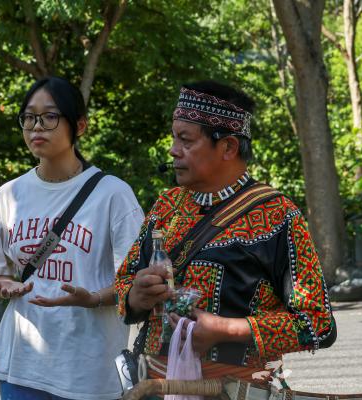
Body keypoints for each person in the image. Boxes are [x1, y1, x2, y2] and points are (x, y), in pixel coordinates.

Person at [115, 80, 336, 383]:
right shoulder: (166, 207)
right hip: (155, 387)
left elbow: (317, 324)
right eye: (173, 138)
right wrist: (134, 297)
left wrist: (225, 329)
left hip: (237, 390)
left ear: (228, 147)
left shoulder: (278, 216)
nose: (173, 150)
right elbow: (124, 281)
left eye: (186, 140)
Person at [0, 76, 144, 400]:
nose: (36, 126)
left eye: (50, 116)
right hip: (20, 366)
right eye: (28, 117)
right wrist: (3, 286)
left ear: (79, 125)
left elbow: (137, 282)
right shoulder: (9, 194)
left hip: (88, 370)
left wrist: (95, 298)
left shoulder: (113, 195)